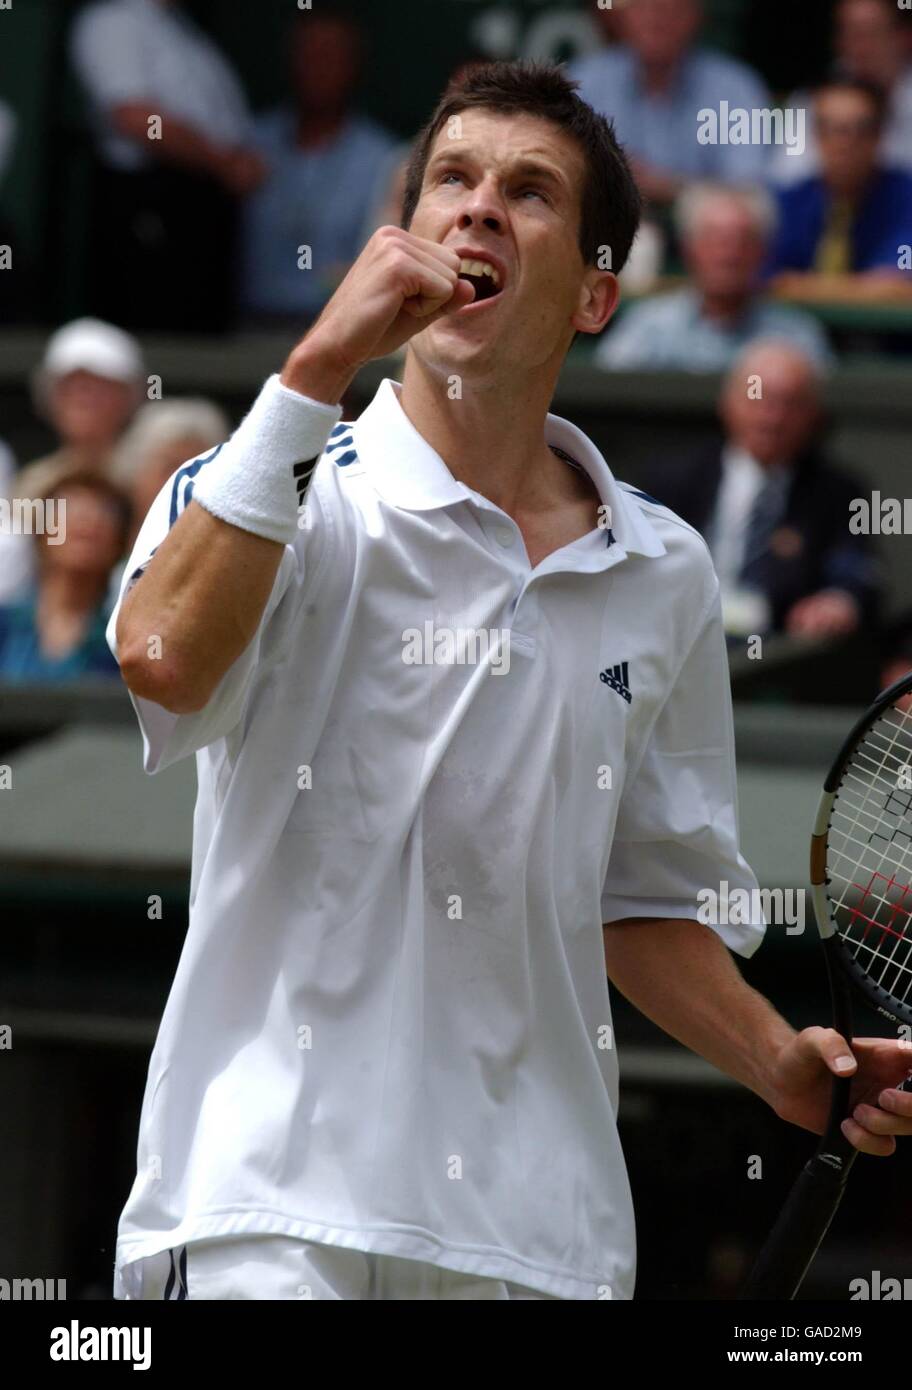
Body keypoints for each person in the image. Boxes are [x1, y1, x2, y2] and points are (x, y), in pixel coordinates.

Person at [108, 62, 911, 1303]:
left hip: (543, 1243)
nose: (479, 209)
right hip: (266, 1218)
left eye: (529, 192)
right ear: (404, 234)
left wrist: (778, 1062)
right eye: (452, 181)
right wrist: (317, 362)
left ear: (597, 294)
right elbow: (159, 659)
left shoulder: (666, 568)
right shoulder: (273, 483)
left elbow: (640, 893)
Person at [636, 340, 882, 639]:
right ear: (727, 404)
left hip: (778, 653)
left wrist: (840, 601)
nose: (772, 419)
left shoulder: (836, 491)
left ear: (813, 415)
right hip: (683, 636)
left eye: (790, 404)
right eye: (759, 400)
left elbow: (856, 571)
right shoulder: (674, 478)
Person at [70, 0, 265, 331]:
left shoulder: (179, 28)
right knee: (154, 329)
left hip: (200, 207)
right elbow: (133, 117)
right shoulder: (113, 20)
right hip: (149, 205)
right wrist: (224, 162)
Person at [241, 9, 398, 325]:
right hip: (245, 327)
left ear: (354, 66)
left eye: (330, 56)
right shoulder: (249, 145)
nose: (318, 68)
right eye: (308, 54)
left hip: (335, 330)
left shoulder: (383, 158)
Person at [598, 183, 833, 371]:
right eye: (715, 240)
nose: (728, 254)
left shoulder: (797, 337)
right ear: (689, 249)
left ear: (763, 252)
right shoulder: (648, 327)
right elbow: (609, 392)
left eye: (742, 241)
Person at [568, 0, 771, 206]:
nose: (656, 19)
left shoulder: (737, 87)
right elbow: (566, 170)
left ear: (696, 16)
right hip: (612, 219)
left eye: (670, 8)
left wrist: (665, 186)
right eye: (643, 8)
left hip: (701, 226)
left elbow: (747, 189)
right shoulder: (585, 81)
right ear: (622, 16)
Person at [0, 320, 143, 605]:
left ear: (130, 396)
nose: (85, 398)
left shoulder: (152, 475)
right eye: (72, 387)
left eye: (99, 387)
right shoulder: (29, 483)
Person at [767, 79, 912, 302]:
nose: (844, 143)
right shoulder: (790, 202)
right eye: (831, 129)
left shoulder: (905, 198)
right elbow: (766, 279)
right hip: (798, 333)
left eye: (859, 129)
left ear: (880, 135)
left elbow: (895, 283)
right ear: (815, 134)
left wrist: (800, 286)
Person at [0, 473, 129, 682]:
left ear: (118, 545)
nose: (88, 520)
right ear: (41, 535)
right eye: (69, 509)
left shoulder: (123, 646)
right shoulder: (5, 625)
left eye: (105, 513)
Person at [769, 0, 912, 187]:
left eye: (873, 33)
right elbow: (783, 180)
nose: (863, 48)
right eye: (852, 33)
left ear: (905, 36)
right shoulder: (813, 98)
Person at [114, 398, 229, 548]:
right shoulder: (94, 558)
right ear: (134, 475)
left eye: (197, 470)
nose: (184, 482)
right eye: (170, 467)